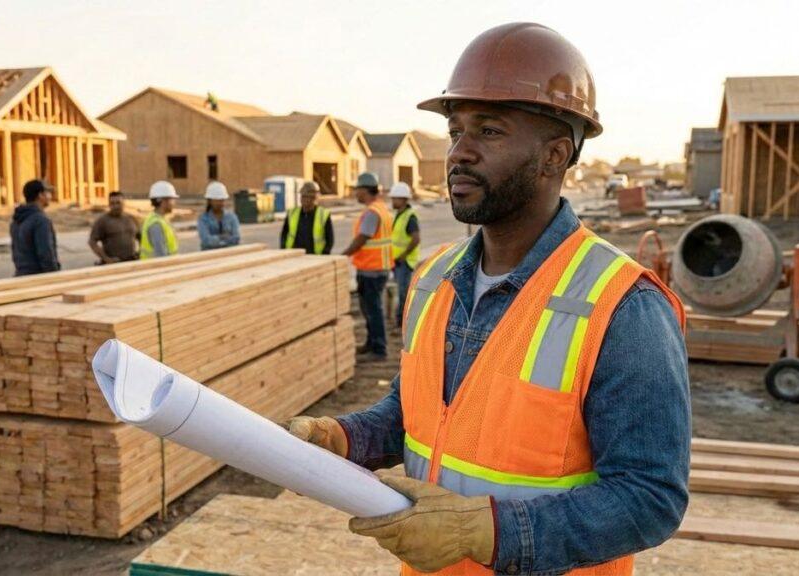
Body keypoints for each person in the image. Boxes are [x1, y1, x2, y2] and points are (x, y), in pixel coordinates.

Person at [288, 23, 690, 575]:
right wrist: (341, 438)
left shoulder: (623, 305)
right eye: (456, 131)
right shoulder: (435, 279)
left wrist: (488, 533)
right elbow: (416, 419)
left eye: (490, 132)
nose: (459, 154)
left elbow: (650, 498)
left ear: (554, 156)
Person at [341, 172, 393, 361]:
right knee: (369, 309)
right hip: (376, 268)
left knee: (373, 310)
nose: (356, 194)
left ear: (365, 190)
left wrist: (345, 253)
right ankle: (372, 343)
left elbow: (363, 238)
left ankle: (378, 349)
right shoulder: (380, 208)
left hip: (372, 270)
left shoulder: (372, 212)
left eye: (358, 190)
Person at [10, 179, 60, 276]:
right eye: (48, 193)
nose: (50, 196)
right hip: (38, 278)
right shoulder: (40, 221)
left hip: (21, 276)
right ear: (40, 195)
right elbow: (46, 254)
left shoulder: (17, 219)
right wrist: (54, 277)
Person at [388, 182, 420, 328]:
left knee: (404, 294)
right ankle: (401, 320)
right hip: (398, 261)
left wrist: (404, 255)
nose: (392, 201)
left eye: (395, 198)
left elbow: (416, 238)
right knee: (401, 292)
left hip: (405, 262)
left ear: (403, 199)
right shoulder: (400, 215)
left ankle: (402, 322)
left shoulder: (410, 217)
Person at [280, 181, 334, 254]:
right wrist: (283, 249)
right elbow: (284, 234)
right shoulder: (292, 213)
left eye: (307, 197)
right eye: (303, 196)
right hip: (293, 255)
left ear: (314, 199)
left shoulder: (323, 215)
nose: (304, 199)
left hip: (315, 256)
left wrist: (324, 254)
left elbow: (330, 239)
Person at [88, 191, 139, 264]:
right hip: (113, 264)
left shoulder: (131, 219)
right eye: (112, 203)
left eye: (118, 203)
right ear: (109, 205)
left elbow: (141, 237)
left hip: (132, 261)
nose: (115, 206)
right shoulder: (102, 221)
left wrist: (140, 253)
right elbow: (92, 242)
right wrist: (106, 259)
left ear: (124, 203)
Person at [140, 180, 179, 259]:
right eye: (172, 199)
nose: (174, 203)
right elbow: (161, 255)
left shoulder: (162, 219)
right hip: (157, 269)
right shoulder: (155, 224)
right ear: (162, 201)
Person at [198, 181, 241, 250]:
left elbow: (236, 238)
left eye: (222, 200)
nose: (220, 203)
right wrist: (223, 237)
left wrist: (216, 240)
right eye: (217, 200)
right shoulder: (203, 219)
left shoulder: (231, 217)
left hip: (230, 256)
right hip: (209, 256)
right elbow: (206, 240)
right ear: (210, 201)